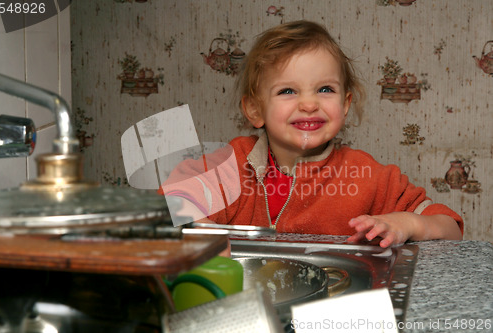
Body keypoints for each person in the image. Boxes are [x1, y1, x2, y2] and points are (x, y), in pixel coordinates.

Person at [160, 20, 463, 248]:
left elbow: (450, 225)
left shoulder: (368, 177)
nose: (309, 104)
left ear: (345, 104)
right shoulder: (233, 164)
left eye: (325, 89)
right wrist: (205, 242)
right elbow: (169, 199)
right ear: (254, 109)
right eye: (288, 90)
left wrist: (407, 223)